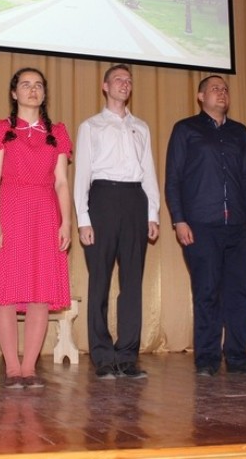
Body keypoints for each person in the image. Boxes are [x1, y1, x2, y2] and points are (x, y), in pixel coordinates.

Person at [165, 75, 246, 376]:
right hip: (200, 225)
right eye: (214, 89)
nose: (221, 93)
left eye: (225, 89)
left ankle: (237, 358)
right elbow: (173, 179)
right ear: (200, 96)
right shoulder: (185, 130)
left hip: (238, 224)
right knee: (207, 291)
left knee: (238, 293)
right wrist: (179, 219)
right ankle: (207, 359)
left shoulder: (240, 133)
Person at [0, 67, 72, 388]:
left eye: (38, 85)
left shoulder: (57, 132)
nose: (33, 90)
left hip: (45, 214)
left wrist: (67, 222)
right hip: (10, 209)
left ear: (44, 93)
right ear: (14, 93)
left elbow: (61, 182)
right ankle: (12, 368)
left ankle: (29, 368)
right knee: (5, 292)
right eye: (25, 84)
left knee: (40, 293)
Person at [74, 64, 160, 380]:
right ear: (105, 86)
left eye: (128, 81)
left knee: (132, 283)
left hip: (135, 199)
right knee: (100, 280)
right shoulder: (91, 126)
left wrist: (153, 213)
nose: (124, 84)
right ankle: (102, 356)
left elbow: (148, 171)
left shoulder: (141, 127)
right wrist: (83, 219)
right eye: (118, 80)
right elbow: (81, 173)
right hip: (103, 199)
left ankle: (127, 356)